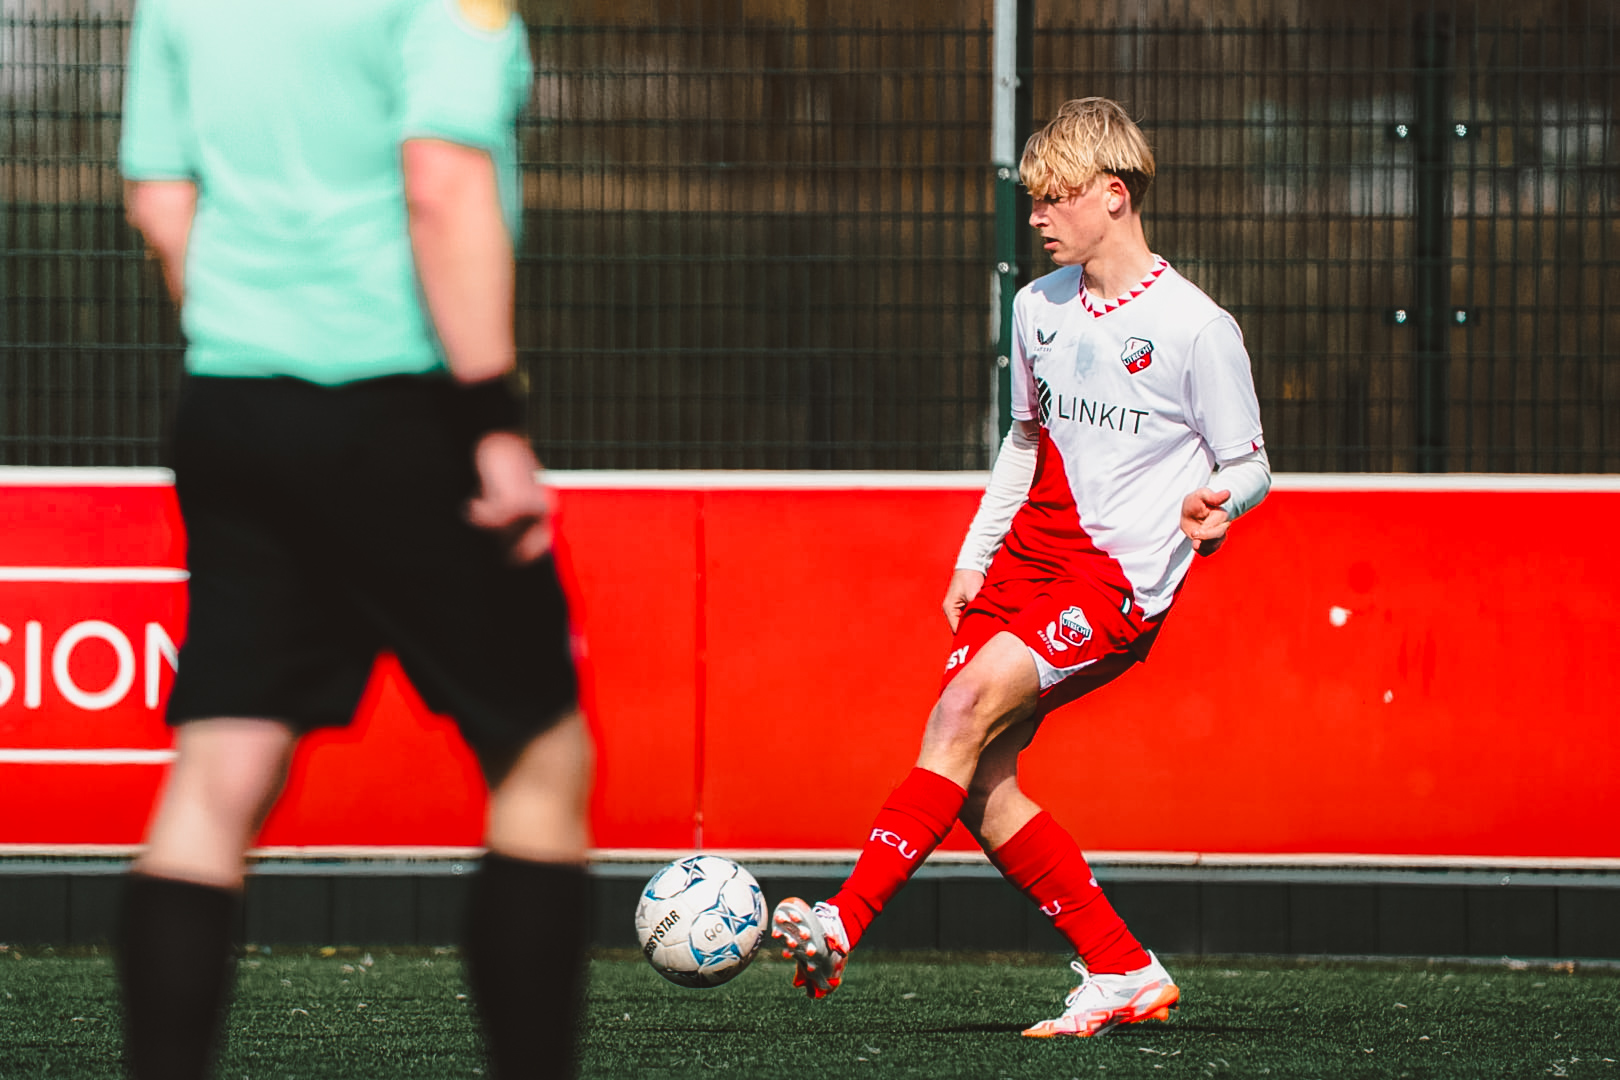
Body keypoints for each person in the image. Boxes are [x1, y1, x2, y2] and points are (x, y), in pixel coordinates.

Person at [116, 1, 593, 1077]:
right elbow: (442, 181)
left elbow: (159, 201)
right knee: (539, 753)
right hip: (406, 409)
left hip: (232, 401)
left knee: (216, 773)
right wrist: (493, 427)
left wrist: (249, 331)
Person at [770, 97, 1270, 1038]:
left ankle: (841, 921)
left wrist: (1221, 502)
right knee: (976, 777)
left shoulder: (1196, 327)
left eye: (1054, 199)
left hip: (1116, 582)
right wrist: (973, 555)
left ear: (1113, 197)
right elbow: (1022, 437)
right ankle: (1123, 969)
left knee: (955, 718)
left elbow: (1252, 460)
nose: (1035, 217)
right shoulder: (1035, 307)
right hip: (1018, 566)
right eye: (1033, 199)